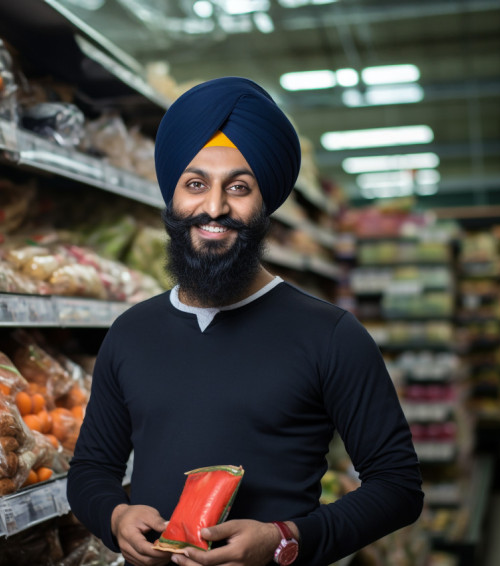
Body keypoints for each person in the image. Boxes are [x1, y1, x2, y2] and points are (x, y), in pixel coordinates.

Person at [67, 77, 423, 566]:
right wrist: (114, 518)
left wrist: (285, 540)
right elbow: (90, 470)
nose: (214, 207)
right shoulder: (130, 332)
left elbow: (398, 486)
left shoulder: (331, 335)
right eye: (196, 184)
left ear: (265, 204)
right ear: (172, 197)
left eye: (238, 187)